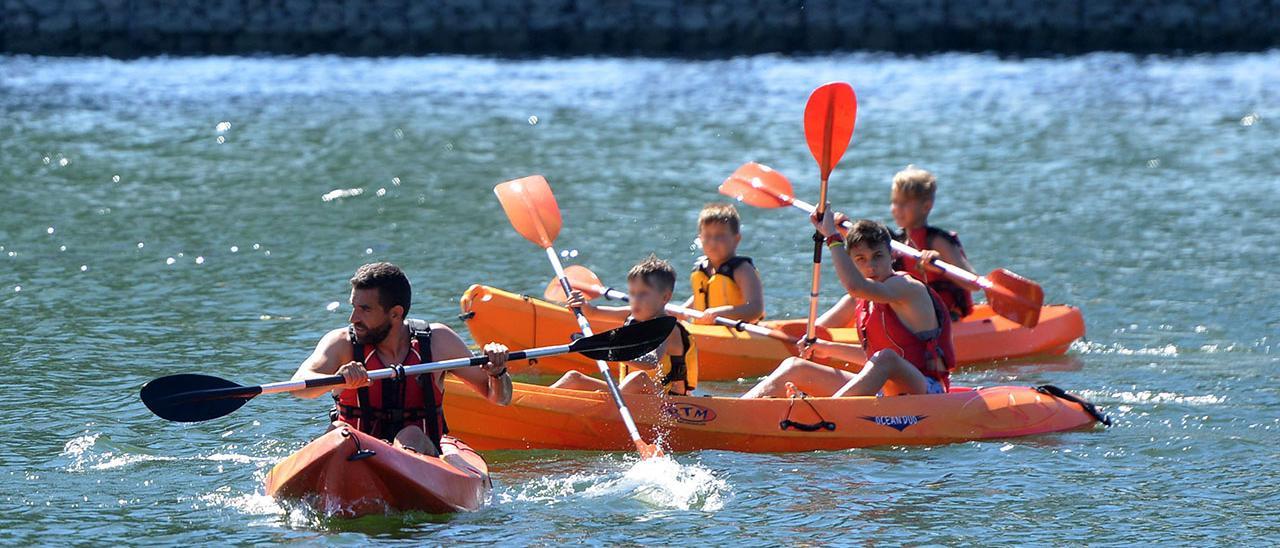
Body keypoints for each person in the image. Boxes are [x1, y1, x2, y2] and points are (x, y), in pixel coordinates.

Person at [290, 262, 512, 457]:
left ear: (395, 313)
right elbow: (298, 386)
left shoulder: (438, 342)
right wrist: (338, 379)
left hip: (419, 455)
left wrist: (497, 372)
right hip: (353, 452)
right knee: (339, 433)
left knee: (410, 435)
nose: (353, 318)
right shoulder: (341, 343)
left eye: (365, 309)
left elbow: (500, 398)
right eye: (354, 307)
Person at [741, 215, 955, 399]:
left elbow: (855, 287)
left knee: (886, 358)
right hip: (887, 388)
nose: (871, 266)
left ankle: (827, 413)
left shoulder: (905, 287)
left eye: (878, 256)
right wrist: (825, 348)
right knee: (793, 366)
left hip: (928, 392)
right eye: (861, 259)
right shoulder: (864, 298)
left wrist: (832, 236)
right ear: (852, 262)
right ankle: (736, 410)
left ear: (892, 255)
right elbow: (872, 359)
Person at [550, 255, 698, 396]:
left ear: (665, 297)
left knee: (637, 378)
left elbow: (650, 362)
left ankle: (604, 407)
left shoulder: (668, 329)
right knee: (573, 378)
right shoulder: (630, 314)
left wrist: (611, 351)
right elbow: (592, 312)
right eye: (632, 293)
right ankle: (529, 403)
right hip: (630, 395)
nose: (635, 299)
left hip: (667, 404)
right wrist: (579, 303)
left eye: (643, 294)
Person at [887, 165, 979, 320]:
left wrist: (940, 266)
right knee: (854, 297)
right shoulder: (897, 242)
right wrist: (842, 230)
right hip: (914, 312)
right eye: (895, 202)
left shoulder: (937, 242)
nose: (897, 208)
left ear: (926, 206)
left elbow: (973, 283)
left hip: (945, 316)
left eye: (904, 203)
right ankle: (831, 334)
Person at [681, 203, 766, 325]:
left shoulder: (742, 270)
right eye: (707, 236)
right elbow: (703, 295)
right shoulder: (702, 268)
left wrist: (720, 313)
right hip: (708, 334)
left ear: (736, 239)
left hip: (739, 335)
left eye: (720, 236)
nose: (713, 242)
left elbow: (756, 308)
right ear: (700, 239)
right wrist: (684, 310)